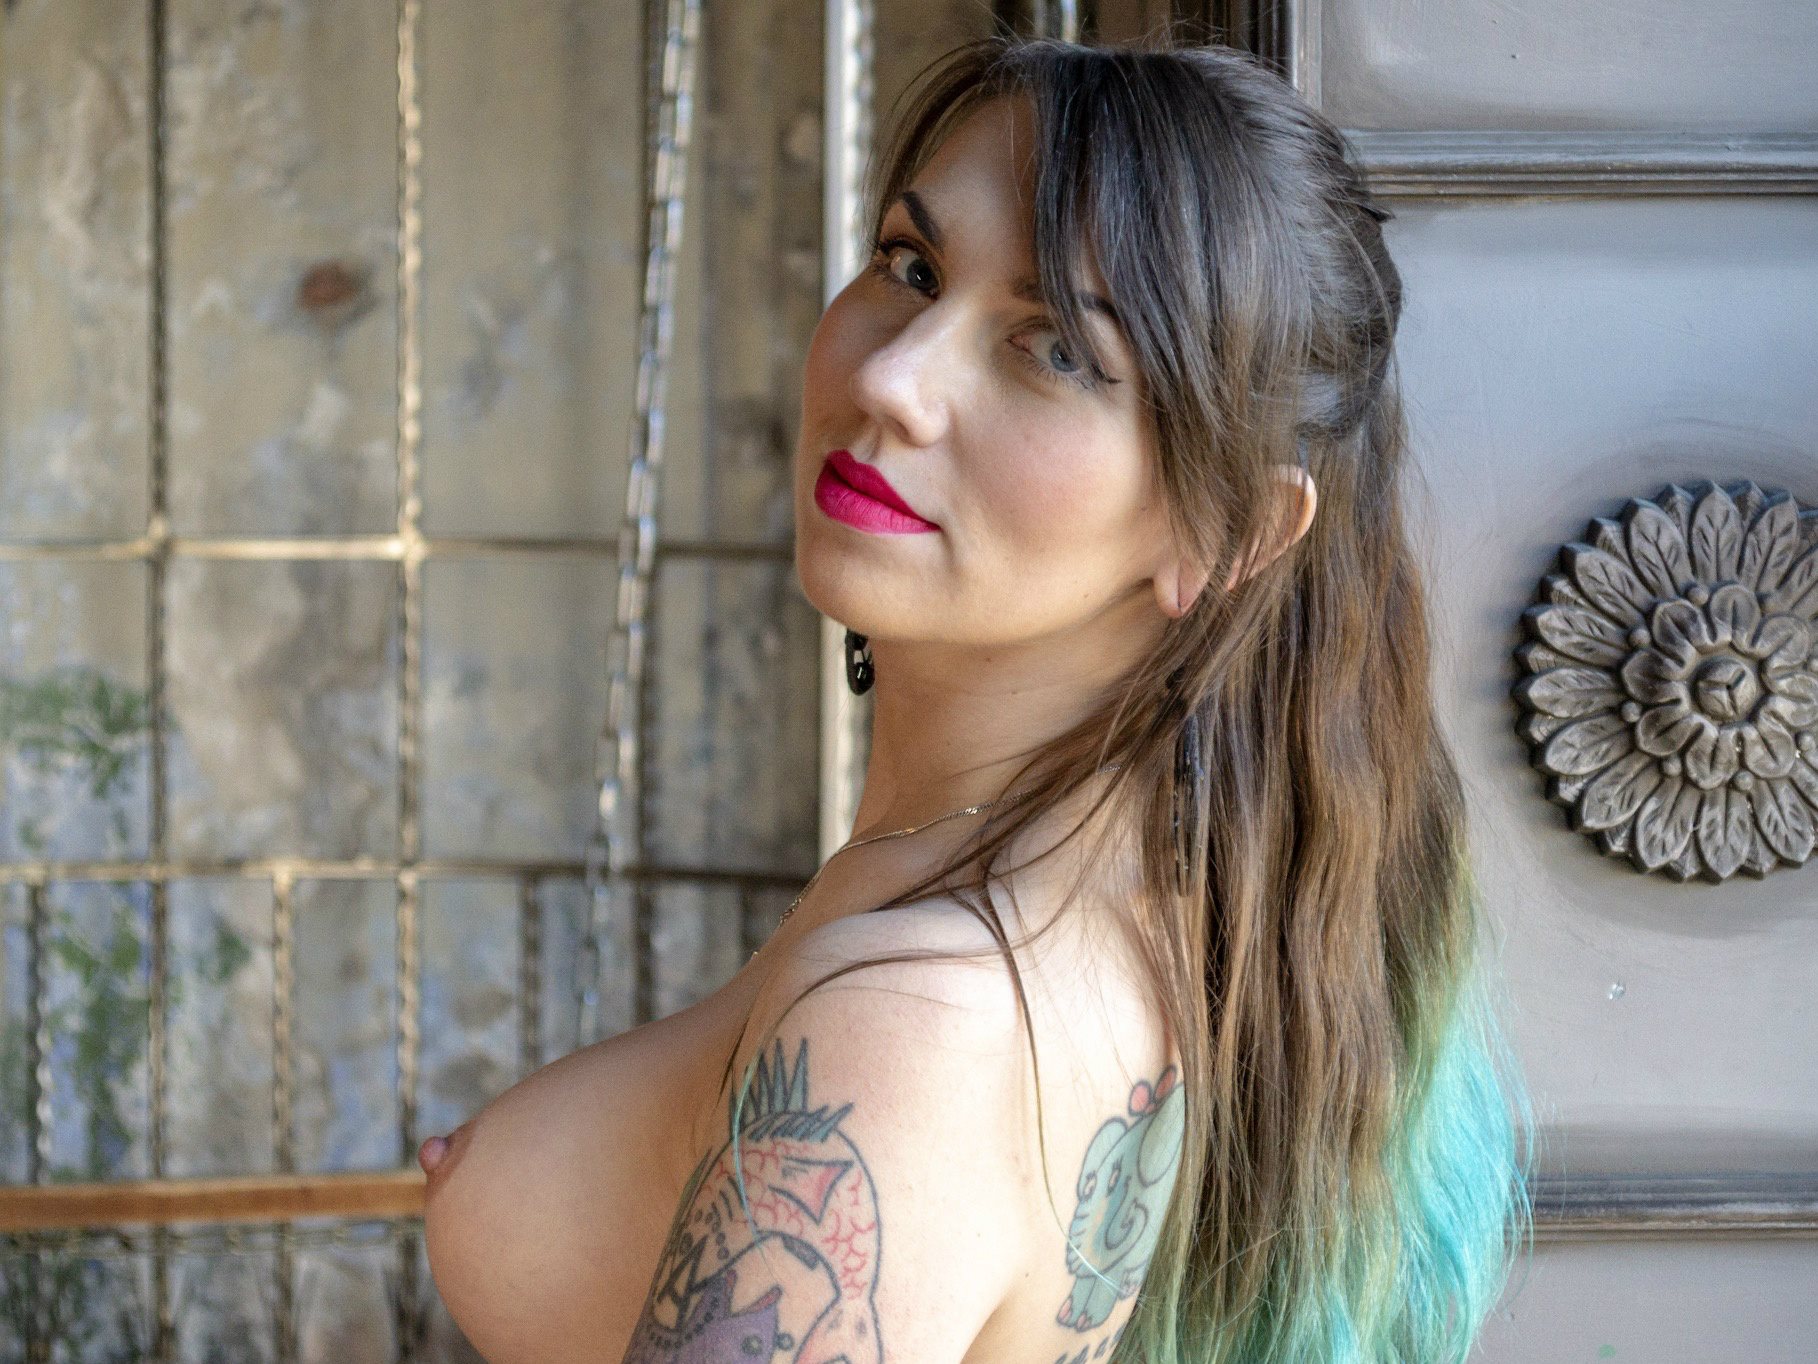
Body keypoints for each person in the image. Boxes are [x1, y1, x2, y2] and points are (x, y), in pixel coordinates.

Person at [418, 31, 1531, 1364]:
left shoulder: (917, 1024)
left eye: (1052, 347)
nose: (889, 380)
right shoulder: (1155, 914)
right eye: (910, 267)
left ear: (1228, 529)